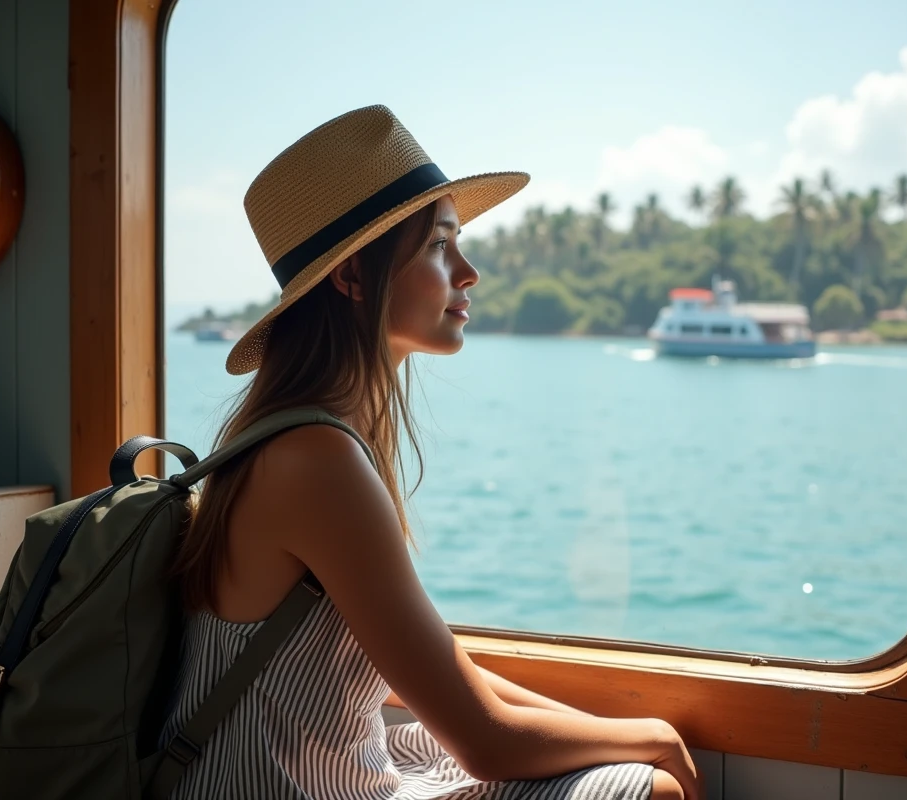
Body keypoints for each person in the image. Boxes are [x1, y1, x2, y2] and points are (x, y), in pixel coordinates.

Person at [161, 105, 701, 800]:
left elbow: (444, 672)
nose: (468, 272)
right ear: (354, 277)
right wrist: (655, 735)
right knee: (653, 789)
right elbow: (484, 744)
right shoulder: (317, 462)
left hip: (308, 768)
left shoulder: (303, 437)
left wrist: (608, 731)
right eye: (440, 246)